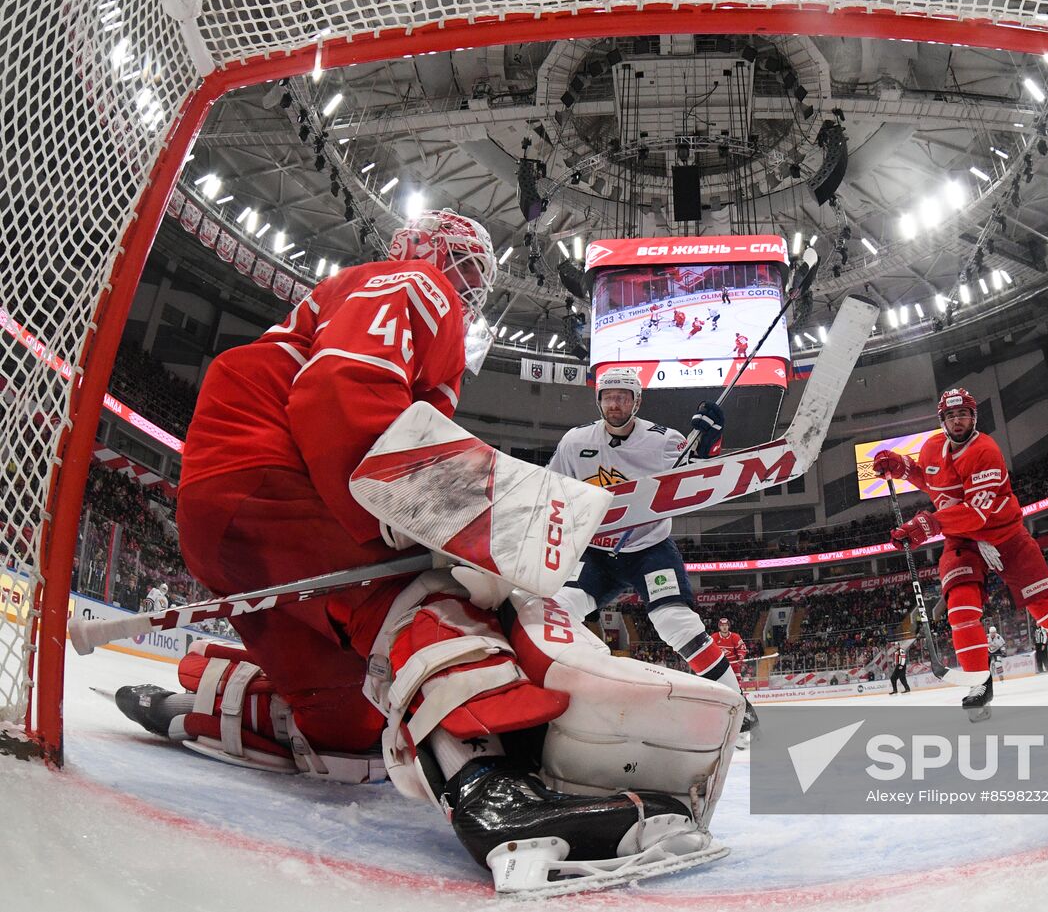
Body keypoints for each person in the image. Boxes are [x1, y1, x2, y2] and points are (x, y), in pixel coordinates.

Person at [112, 211, 706, 886]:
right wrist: (443, 525)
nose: (468, 285)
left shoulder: (366, 292)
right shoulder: (417, 286)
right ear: (425, 250)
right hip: (274, 473)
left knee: (351, 727)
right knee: (437, 601)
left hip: (226, 513)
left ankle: (222, 704)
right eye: (463, 265)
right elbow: (338, 395)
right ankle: (496, 792)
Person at [547, 369, 758, 735]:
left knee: (675, 622)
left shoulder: (663, 442)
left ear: (637, 401)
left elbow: (699, 474)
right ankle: (558, 696)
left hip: (649, 550)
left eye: (623, 397)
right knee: (559, 610)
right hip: (596, 552)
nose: (615, 404)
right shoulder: (573, 442)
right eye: (608, 397)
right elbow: (551, 489)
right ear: (598, 400)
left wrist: (711, 440)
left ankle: (738, 704)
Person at [872, 387, 1048, 718]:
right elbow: (933, 482)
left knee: (1047, 606)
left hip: (1003, 534)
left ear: (974, 417)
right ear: (942, 420)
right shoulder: (932, 447)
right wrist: (902, 468)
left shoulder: (985, 451)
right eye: (951, 416)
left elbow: (975, 513)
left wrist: (927, 524)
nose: (957, 421)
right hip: (962, 540)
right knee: (960, 608)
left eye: (963, 414)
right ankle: (979, 684)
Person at [710, 617, 748, 684]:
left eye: (726, 625)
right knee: (720, 683)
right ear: (719, 627)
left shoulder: (735, 637)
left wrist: (741, 657)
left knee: (737, 682)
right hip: (720, 664)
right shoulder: (714, 637)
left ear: (728, 626)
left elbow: (741, 649)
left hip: (733, 664)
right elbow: (710, 650)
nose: (724, 627)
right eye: (722, 626)